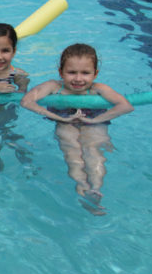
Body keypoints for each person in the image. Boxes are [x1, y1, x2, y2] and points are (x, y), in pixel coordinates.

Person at [20, 43, 133, 214]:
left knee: (93, 150)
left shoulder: (99, 89)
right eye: (72, 72)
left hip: (94, 122)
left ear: (95, 74)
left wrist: (94, 120)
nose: (78, 79)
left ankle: (95, 189)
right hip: (65, 122)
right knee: (72, 150)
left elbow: (125, 106)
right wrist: (60, 118)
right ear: (61, 72)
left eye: (85, 73)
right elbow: (27, 101)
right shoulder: (54, 86)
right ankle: (83, 186)